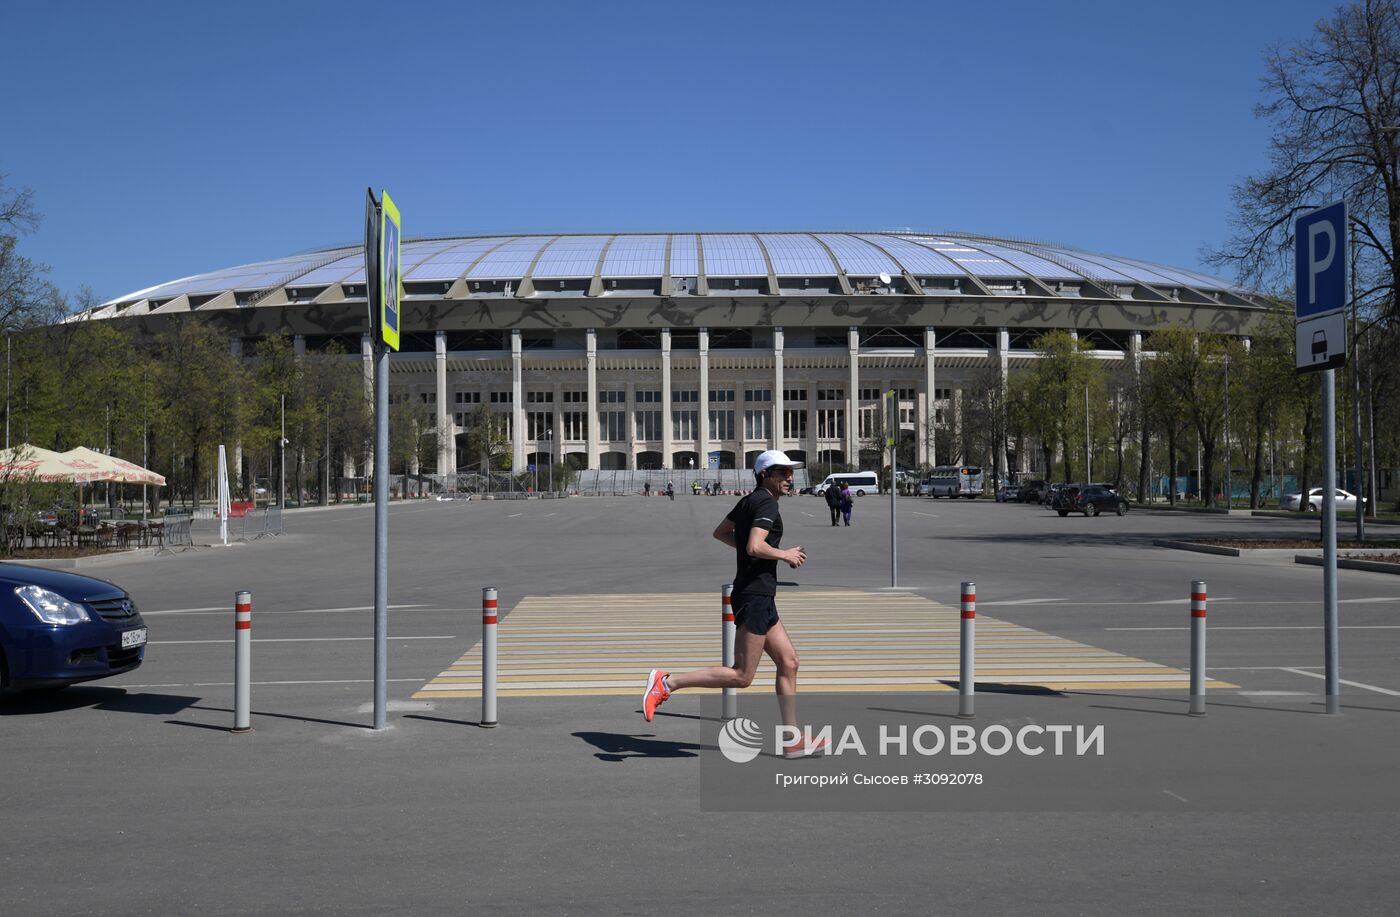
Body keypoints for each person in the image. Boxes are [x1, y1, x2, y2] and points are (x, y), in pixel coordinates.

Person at [641, 450, 827, 758]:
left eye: (790, 472)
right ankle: (667, 682)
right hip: (754, 596)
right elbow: (754, 545)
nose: (789, 478)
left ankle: (792, 739)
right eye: (782, 472)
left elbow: (722, 533)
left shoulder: (748, 500)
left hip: (759, 595)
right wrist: (785, 554)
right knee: (742, 675)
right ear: (765, 474)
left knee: (789, 662)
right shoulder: (765, 502)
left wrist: (752, 550)